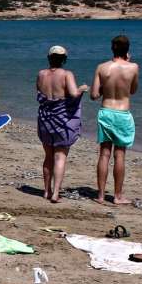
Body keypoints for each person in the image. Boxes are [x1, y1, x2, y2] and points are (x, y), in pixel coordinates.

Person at [90, 34, 139, 205]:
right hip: (122, 113)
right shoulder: (133, 67)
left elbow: (94, 95)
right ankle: (117, 196)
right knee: (120, 155)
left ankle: (101, 195)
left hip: (106, 112)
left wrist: (105, 87)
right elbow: (132, 91)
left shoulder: (102, 67)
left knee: (104, 154)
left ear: (112, 49)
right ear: (127, 50)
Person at [36, 45, 88, 203]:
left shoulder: (41, 74)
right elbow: (73, 93)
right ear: (64, 59)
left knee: (48, 156)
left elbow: (40, 93)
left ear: (48, 58)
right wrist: (82, 89)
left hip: (45, 119)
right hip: (61, 121)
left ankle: (46, 191)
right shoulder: (66, 74)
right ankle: (56, 193)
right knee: (60, 157)